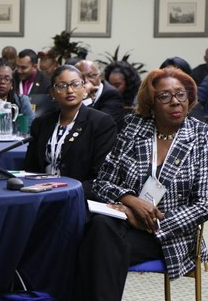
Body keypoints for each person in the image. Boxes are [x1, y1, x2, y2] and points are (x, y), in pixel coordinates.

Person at [78, 67, 208, 301]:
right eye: (165, 96)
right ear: (151, 104)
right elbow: (102, 181)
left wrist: (152, 220)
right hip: (124, 220)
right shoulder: (134, 127)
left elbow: (204, 203)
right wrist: (130, 202)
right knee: (100, 229)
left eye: (181, 94)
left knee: (98, 245)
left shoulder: (201, 137)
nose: (175, 102)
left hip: (170, 232)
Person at [23, 65, 117, 199]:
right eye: (62, 86)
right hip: (40, 196)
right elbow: (30, 168)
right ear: (52, 92)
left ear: (84, 88)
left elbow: (100, 175)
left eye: (75, 84)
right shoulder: (41, 123)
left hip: (78, 197)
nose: (70, 90)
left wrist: (67, 194)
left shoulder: (101, 123)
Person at [0, 57, 35, 124]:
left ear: (12, 83)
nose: (2, 82)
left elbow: (31, 126)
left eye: (7, 79)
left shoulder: (22, 101)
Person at [75, 59, 125, 127]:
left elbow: (100, 126)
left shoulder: (112, 95)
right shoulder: (71, 92)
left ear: (100, 77)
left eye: (91, 75)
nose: (86, 81)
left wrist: (86, 98)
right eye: (81, 77)